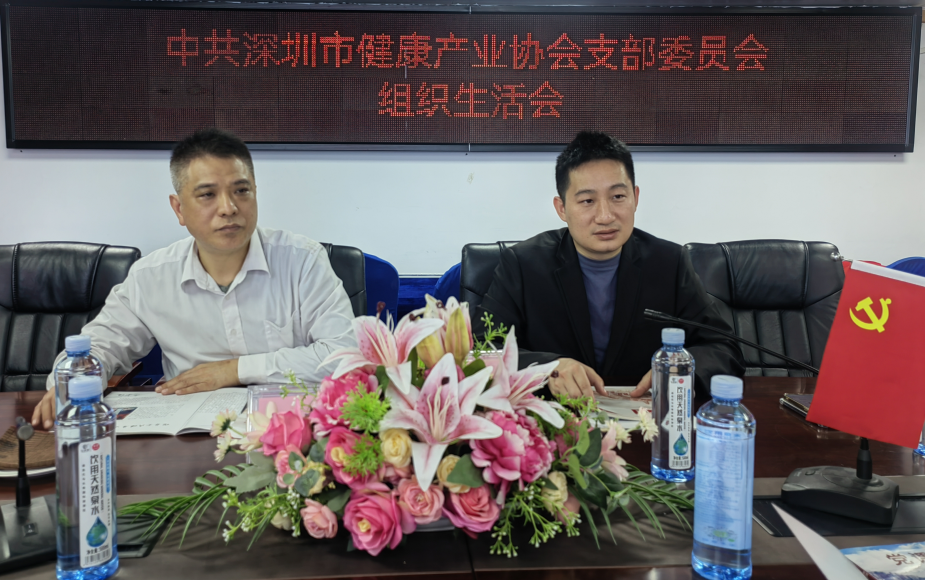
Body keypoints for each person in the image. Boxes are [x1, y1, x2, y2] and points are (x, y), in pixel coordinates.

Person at [32, 128, 357, 429]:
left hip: (294, 433)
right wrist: (69, 383)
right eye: (207, 195)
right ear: (179, 209)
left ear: (255, 193)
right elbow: (102, 344)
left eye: (241, 191)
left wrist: (233, 370)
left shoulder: (303, 261)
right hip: (191, 438)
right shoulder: (151, 277)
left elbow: (345, 355)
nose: (228, 208)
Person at [474, 131, 744, 399]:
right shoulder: (523, 264)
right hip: (556, 416)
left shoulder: (669, 263)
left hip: (647, 415)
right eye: (587, 201)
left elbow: (723, 347)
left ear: (635, 197)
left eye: (617, 197)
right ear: (562, 208)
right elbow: (480, 351)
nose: (605, 216)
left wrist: (681, 370)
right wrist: (548, 369)